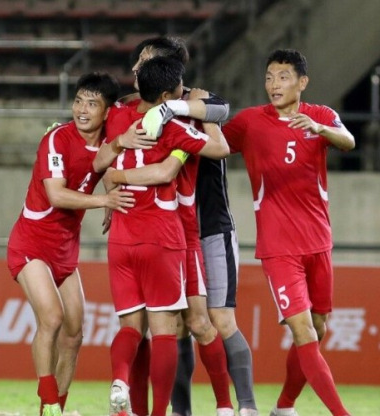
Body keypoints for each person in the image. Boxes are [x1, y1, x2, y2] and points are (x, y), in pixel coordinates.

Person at [97, 35, 258, 416]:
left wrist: (116, 179)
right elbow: (118, 162)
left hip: (196, 227)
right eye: (137, 63)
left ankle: (238, 406)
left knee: (204, 321)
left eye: (146, 63)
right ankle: (188, 409)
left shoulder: (195, 103)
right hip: (170, 230)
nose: (138, 69)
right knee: (175, 326)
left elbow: (101, 162)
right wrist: (110, 191)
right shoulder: (130, 113)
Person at [222, 49, 354, 416]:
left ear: (302, 82)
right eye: (268, 77)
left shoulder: (321, 116)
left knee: (319, 327)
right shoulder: (250, 122)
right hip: (279, 248)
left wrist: (321, 129)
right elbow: (213, 147)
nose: (274, 84)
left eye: (282, 76)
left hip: (319, 242)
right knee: (304, 334)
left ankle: (284, 406)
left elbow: (349, 141)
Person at [6, 72, 135, 416]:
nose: (81, 109)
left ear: (107, 111)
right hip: (31, 244)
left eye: (92, 103)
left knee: (75, 333)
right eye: (78, 100)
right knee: (52, 318)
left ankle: (55, 408)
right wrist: (105, 203)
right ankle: (48, 401)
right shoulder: (57, 139)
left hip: (65, 249)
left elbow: (101, 164)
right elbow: (56, 194)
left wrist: (109, 189)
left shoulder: (106, 140)